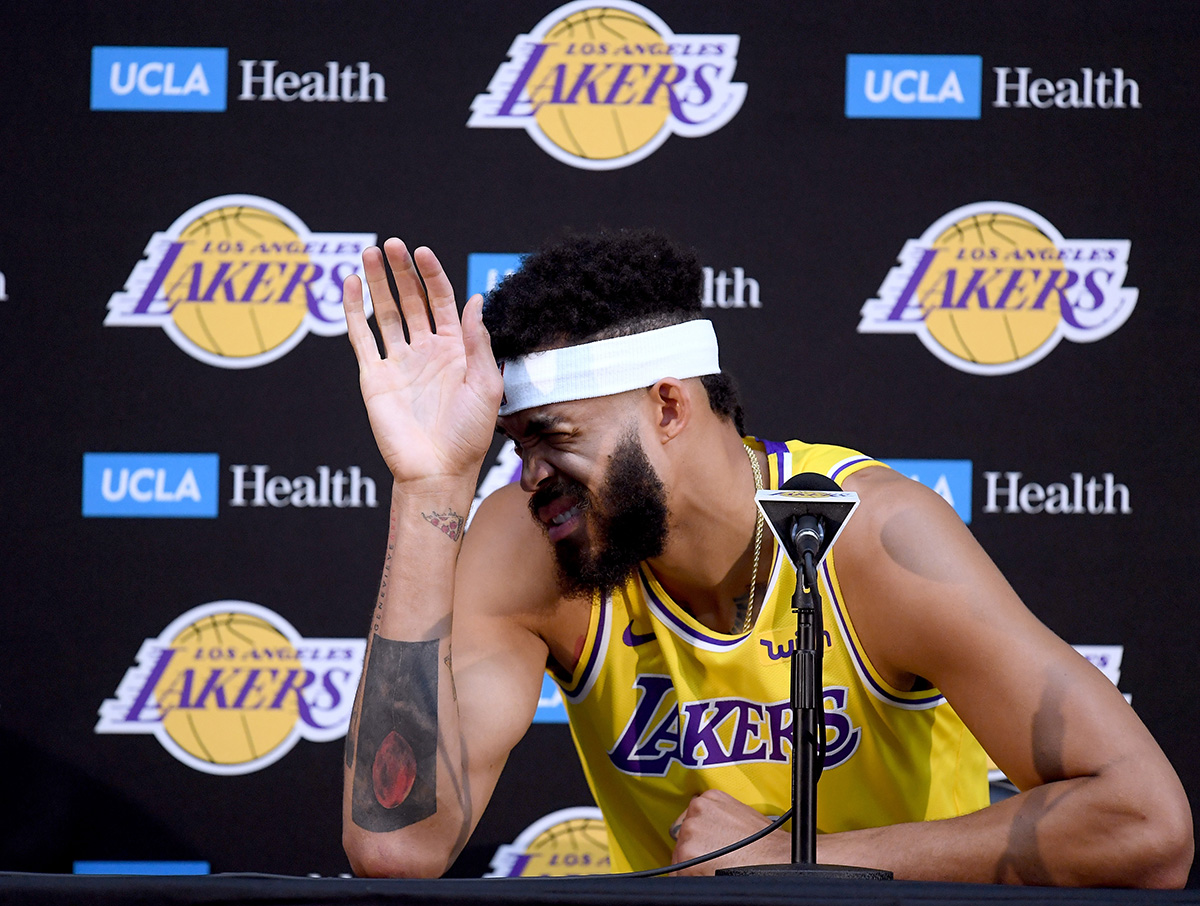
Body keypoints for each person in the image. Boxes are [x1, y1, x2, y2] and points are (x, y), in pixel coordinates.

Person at [339, 229, 1192, 886]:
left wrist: (802, 862)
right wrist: (428, 490)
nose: (528, 479)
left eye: (553, 439)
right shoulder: (535, 541)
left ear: (668, 405)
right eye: (513, 445)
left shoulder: (874, 537)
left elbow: (1147, 829)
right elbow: (398, 843)